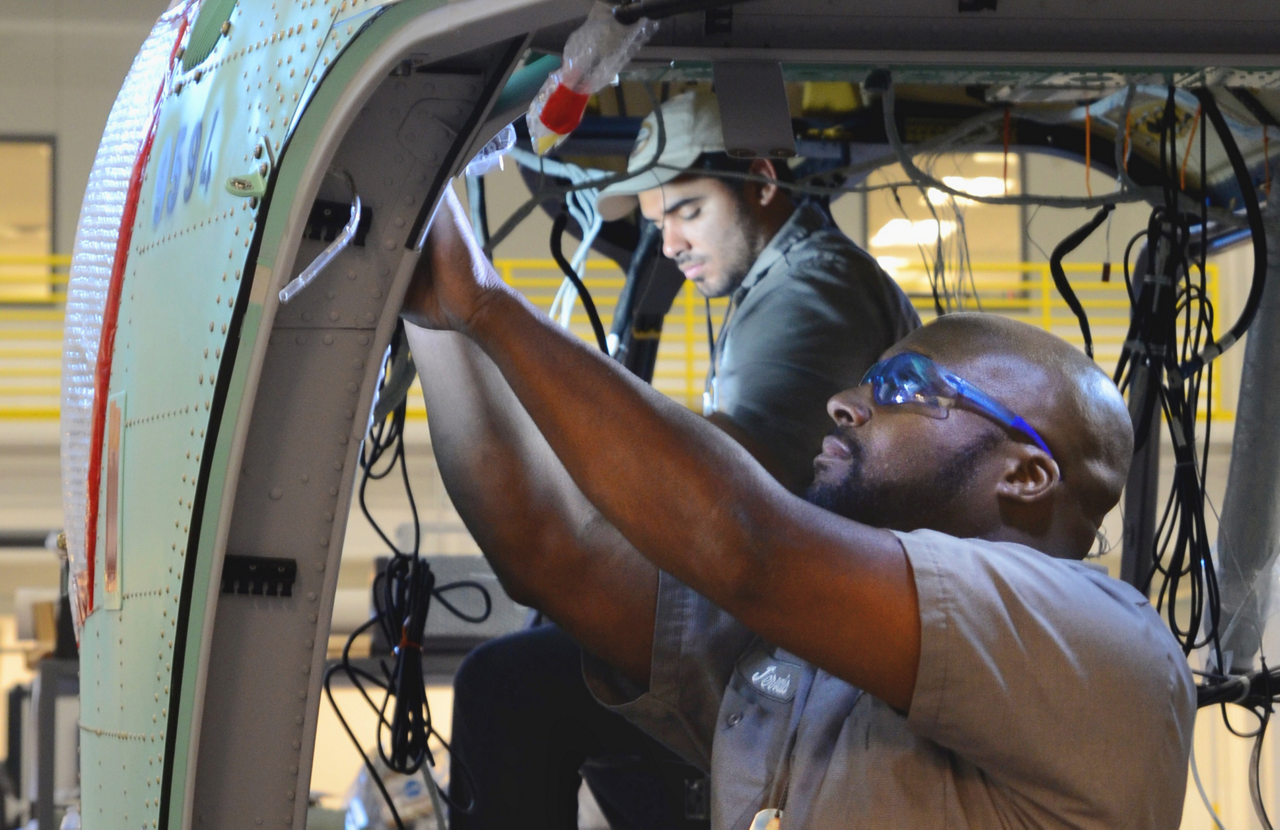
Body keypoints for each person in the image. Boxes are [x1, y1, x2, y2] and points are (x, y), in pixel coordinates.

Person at [403, 186, 1196, 829]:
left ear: (1025, 476)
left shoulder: (1100, 643)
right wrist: (437, 303)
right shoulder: (823, 669)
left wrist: (489, 304)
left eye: (900, 387)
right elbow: (554, 551)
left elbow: (747, 544)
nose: (845, 402)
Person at [442, 89, 919, 829]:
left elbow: (736, 485)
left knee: (508, 685)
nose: (667, 242)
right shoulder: (778, 284)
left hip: (811, 649)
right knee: (555, 648)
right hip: (796, 621)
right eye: (661, 218)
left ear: (762, 182)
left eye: (689, 210)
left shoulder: (810, 290)